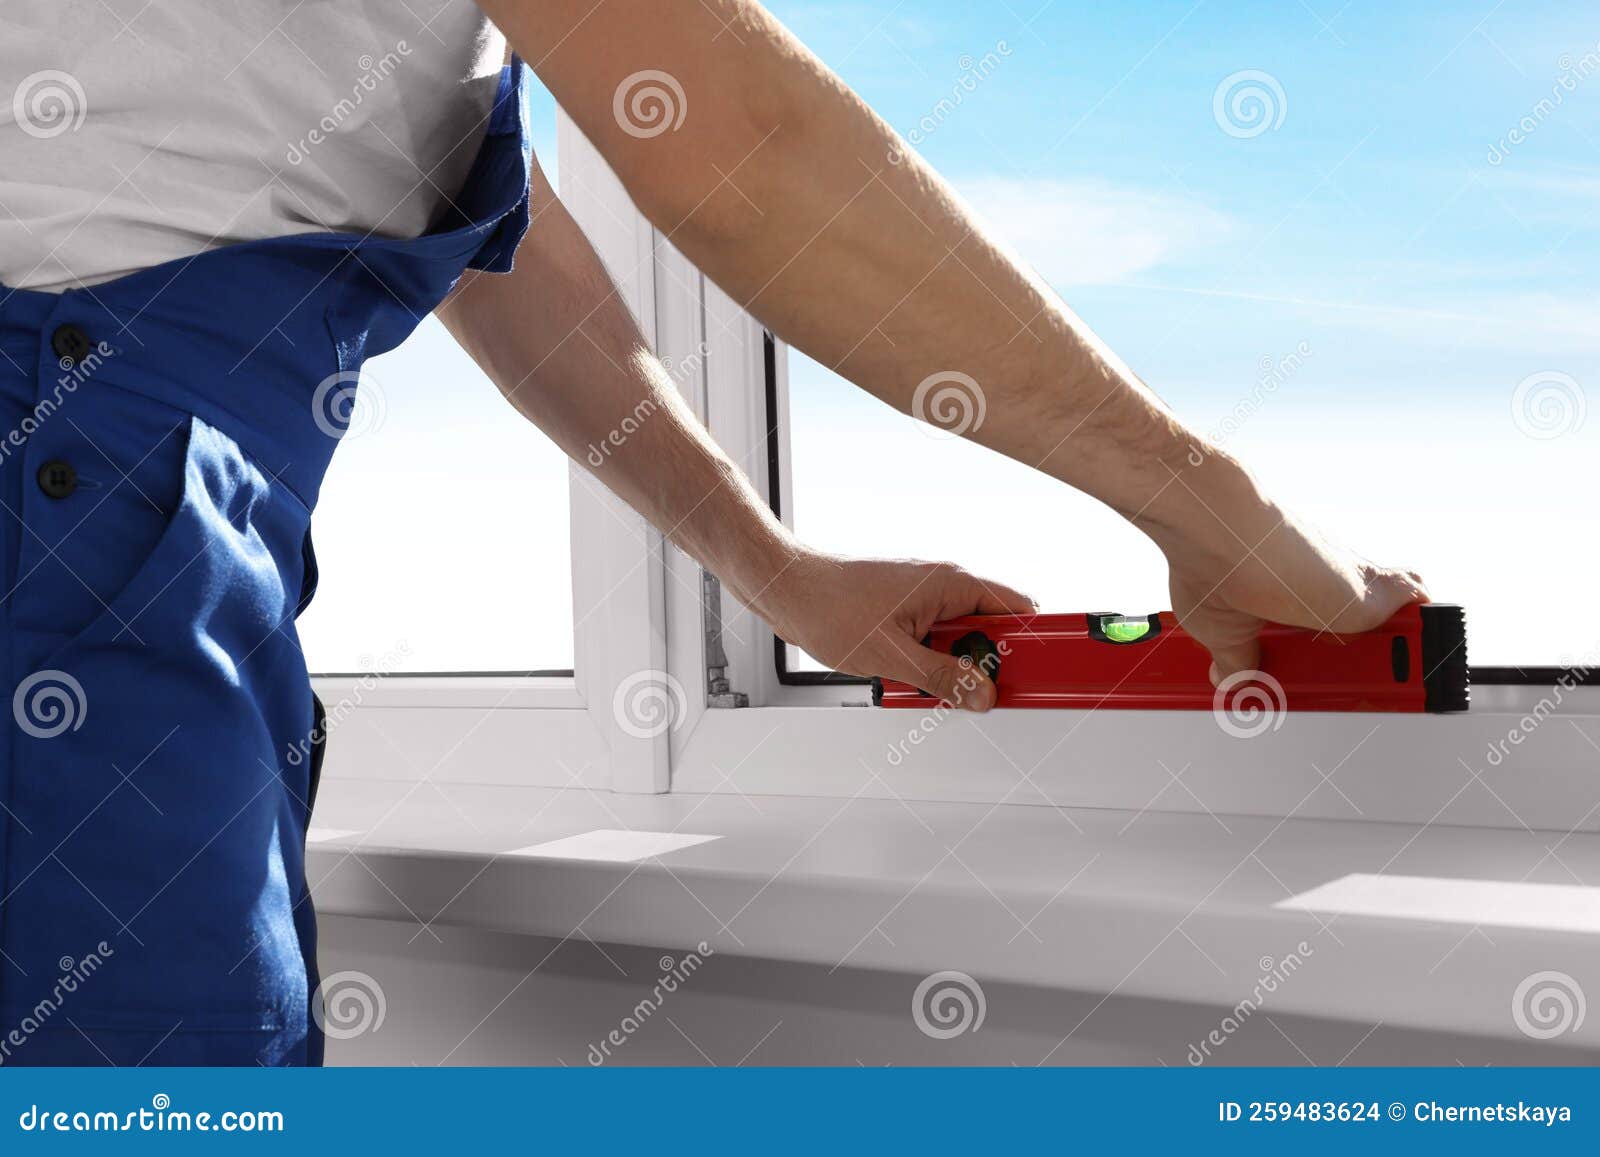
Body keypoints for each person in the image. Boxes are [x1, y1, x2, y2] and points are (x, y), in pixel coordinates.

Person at [0, 1, 1424, 1065]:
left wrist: (767, 563)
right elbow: (747, 136)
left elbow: (480, 227)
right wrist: (1207, 502)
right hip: (76, 521)